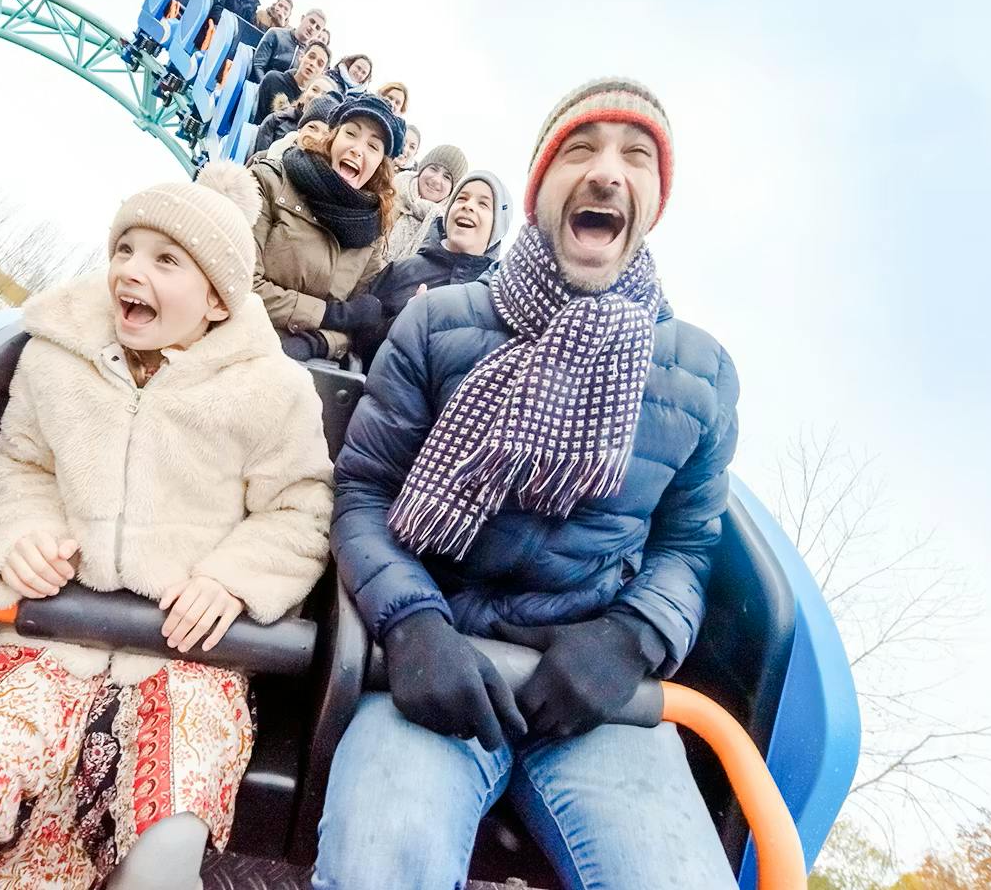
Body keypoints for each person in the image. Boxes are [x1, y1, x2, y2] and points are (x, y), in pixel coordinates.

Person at [0, 163, 335, 890]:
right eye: (124, 249)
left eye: (165, 259)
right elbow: (20, 472)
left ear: (215, 299)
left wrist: (230, 581)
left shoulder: (272, 391)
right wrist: (22, 540)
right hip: (49, 640)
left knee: (166, 844)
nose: (130, 271)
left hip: (185, 662)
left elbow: (299, 509)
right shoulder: (56, 358)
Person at [315, 78, 741, 890]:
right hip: (437, 670)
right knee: (380, 860)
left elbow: (688, 547)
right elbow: (365, 493)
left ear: (652, 200)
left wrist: (631, 639)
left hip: (594, 700)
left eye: (636, 158)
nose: (608, 172)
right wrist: (410, 624)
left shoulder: (702, 373)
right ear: (542, 187)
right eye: (580, 151)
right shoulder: (439, 323)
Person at [250, 93, 404, 363]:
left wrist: (318, 342)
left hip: (305, 371)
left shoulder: (372, 235)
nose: (358, 149)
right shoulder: (270, 182)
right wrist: (327, 316)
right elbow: (243, 284)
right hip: (242, 344)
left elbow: (357, 325)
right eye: (351, 134)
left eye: (373, 146)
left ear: (379, 165)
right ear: (332, 139)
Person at [353, 169, 511, 368]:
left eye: (484, 204)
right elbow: (356, 343)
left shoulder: (497, 302)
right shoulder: (401, 271)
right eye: (461, 198)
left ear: (498, 227)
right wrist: (401, 324)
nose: (468, 206)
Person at [385, 143, 467, 263]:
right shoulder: (388, 191)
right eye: (433, 169)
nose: (436, 180)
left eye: (447, 177)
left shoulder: (446, 231)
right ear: (422, 170)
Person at [253, 41, 331, 123]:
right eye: (311, 57)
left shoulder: (314, 100)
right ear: (301, 56)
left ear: (322, 73)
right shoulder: (273, 79)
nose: (313, 64)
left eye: (320, 64)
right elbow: (256, 116)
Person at [254, 92, 340, 162]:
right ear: (300, 129)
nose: (316, 137)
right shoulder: (262, 159)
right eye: (312, 128)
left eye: (326, 134)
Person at [251, 9, 326, 81]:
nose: (313, 28)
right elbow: (258, 65)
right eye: (312, 21)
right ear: (302, 18)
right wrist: (265, 88)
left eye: (317, 27)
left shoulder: (308, 55)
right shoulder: (275, 34)